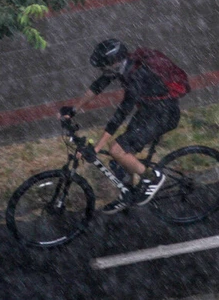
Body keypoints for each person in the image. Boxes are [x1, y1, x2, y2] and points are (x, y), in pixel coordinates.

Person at [60, 38, 188, 213]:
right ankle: (128, 193)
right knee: (122, 156)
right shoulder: (122, 67)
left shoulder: (137, 74)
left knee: (117, 150)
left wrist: (98, 146)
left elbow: (121, 113)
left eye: (104, 66)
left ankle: (153, 178)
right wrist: (74, 109)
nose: (103, 70)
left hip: (163, 115)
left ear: (114, 62)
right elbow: (98, 86)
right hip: (148, 111)